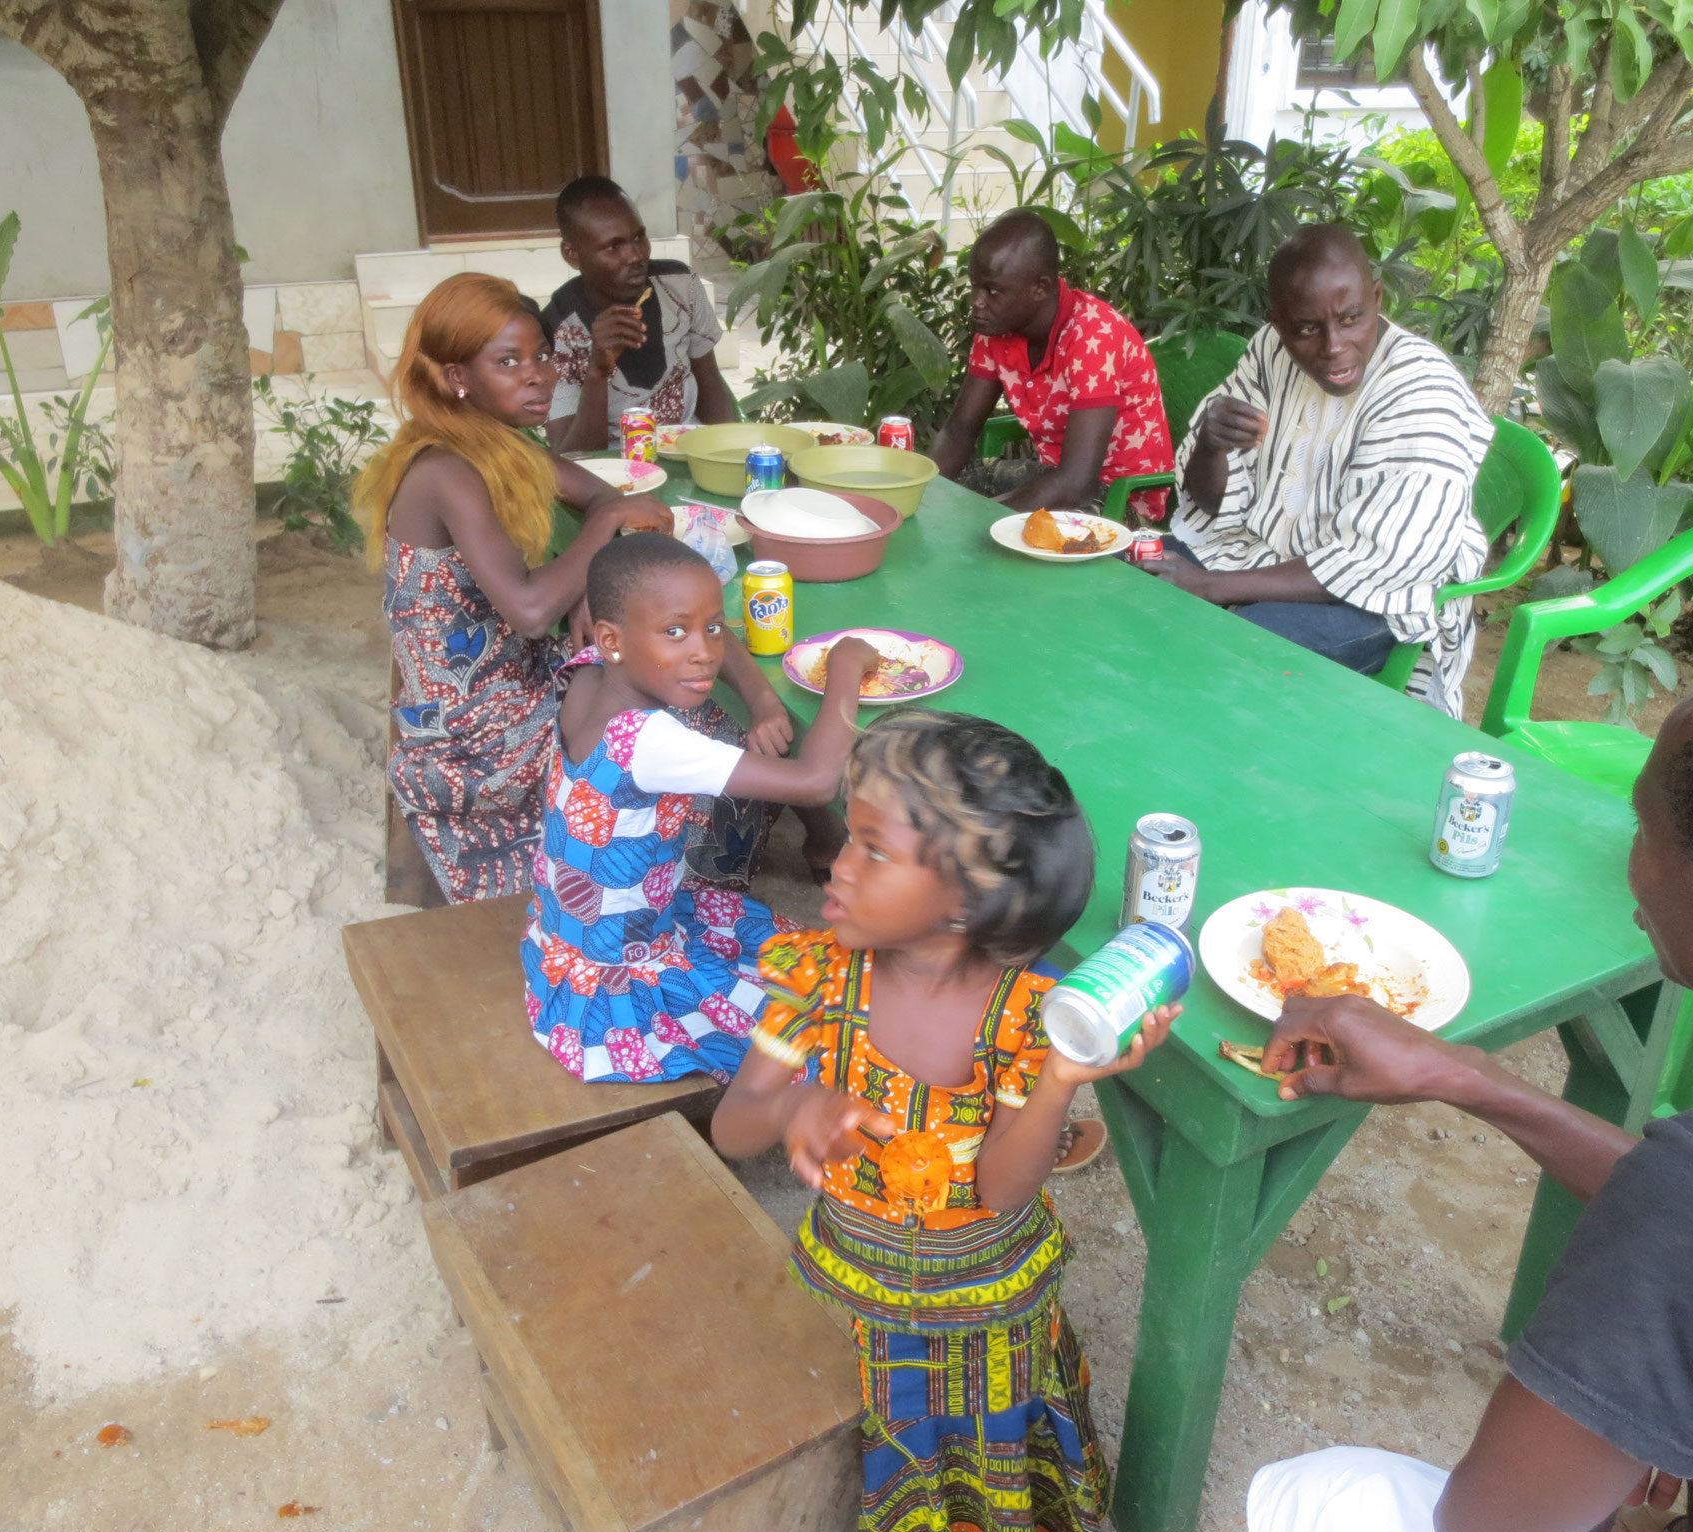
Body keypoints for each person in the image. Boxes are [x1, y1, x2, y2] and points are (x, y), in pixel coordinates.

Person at [1245, 623, 1693, 1532]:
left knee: (1330, 1497)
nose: (1633, 856)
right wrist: (1466, 1077)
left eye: (1647, 829)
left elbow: (1487, 1527)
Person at [712, 710, 1181, 1532]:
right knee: (872, 1436)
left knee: (979, 1453)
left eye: (875, 849)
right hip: (855, 1289)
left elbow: (1001, 1190)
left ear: (965, 905)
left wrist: (1060, 1082)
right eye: (848, 835)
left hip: (987, 1310)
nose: (839, 865)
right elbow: (732, 1127)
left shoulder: (1026, 1016)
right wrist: (793, 1103)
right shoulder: (817, 977)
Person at [356, 272, 794, 903]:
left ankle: (690, 853)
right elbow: (534, 609)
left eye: (540, 355)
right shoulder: (445, 469)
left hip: (517, 678)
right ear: (458, 377)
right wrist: (606, 530)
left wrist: (593, 571)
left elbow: (606, 493)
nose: (538, 375)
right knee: (680, 696)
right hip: (477, 729)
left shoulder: (492, 444)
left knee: (658, 635)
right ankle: (682, 879)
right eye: (508, 362)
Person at [524, 533, 881, 1083]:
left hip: (568, 943)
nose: (705, 652)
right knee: (819, 1029)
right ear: (613, 637)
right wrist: (845, 666)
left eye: (712, 627)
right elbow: (815, 782)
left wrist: (761, 697)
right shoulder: (650, 741)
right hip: (621, 984)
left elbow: (696, 629)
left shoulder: (592, 670)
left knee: (796, 956)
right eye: (675, 632)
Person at [1146, 224, 1493, 717]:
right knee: (1127, 583)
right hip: (1251, 554)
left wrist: (1211, 588)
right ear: (1278, 321)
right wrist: (1209, 444)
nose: (1334, 346)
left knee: (1224, 648)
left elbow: (1372, 564)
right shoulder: (1269, 350)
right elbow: (1208, 502)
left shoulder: (1421, 391)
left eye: (1352, 318)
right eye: (1307, 328)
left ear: (1377, 297)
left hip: (1373, 598)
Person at [927, 209, 1175, 521]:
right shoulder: (995, 330)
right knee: (948, 498)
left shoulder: (1092, 336)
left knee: (983, 534)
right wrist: (920, 498)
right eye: (975, 286)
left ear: (1040, 288)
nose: (976, 301)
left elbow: (1077, 483)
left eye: (992, 290)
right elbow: (959, 432)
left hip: (1117, 497)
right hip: (1051, 477)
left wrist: (986, 523)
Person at [543, 176, 737, 454]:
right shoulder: (560, 327)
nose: (635, 256)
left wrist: (727, 450)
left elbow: (709, 380)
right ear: (572, 255)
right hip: (611, 474)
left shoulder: (680, 286)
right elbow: (573, 456)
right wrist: (597, 369)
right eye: (614, 246)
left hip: (689, 455)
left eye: (639, 237)